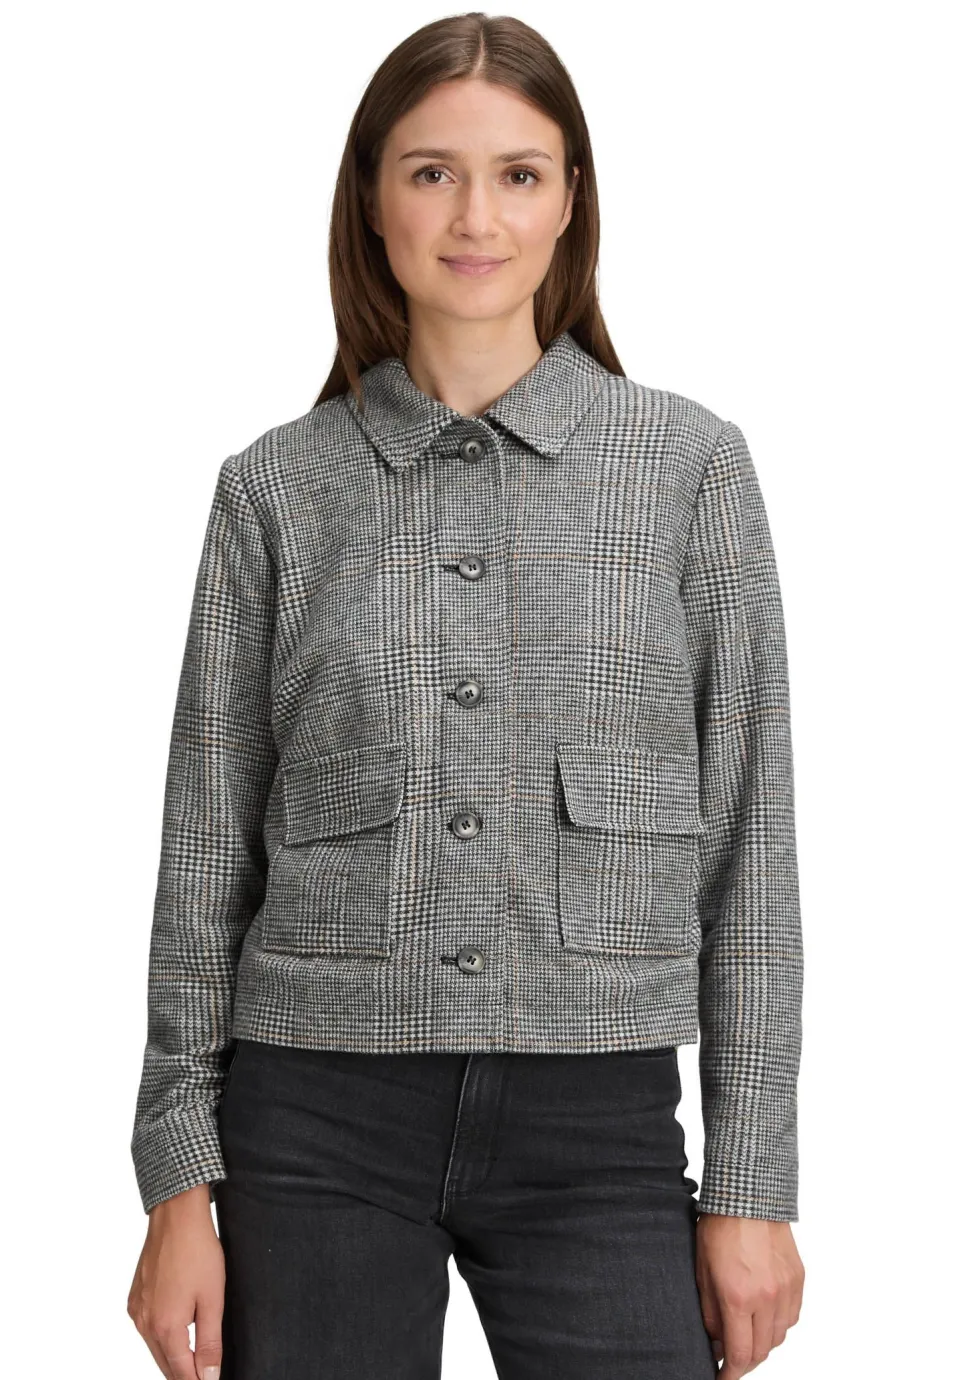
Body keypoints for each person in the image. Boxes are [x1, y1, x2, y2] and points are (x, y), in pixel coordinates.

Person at [127, 12, 805, 1380]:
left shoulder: (686, 471)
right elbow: (205, 852)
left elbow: (749, 847)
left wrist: (753, 1183)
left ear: (570, 203)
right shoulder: (275, 491)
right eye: (431, 172)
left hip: (599, 1130)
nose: (475, 216)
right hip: (311, 1122)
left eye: (518, 174)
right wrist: (176, 1182)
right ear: (372, 201)